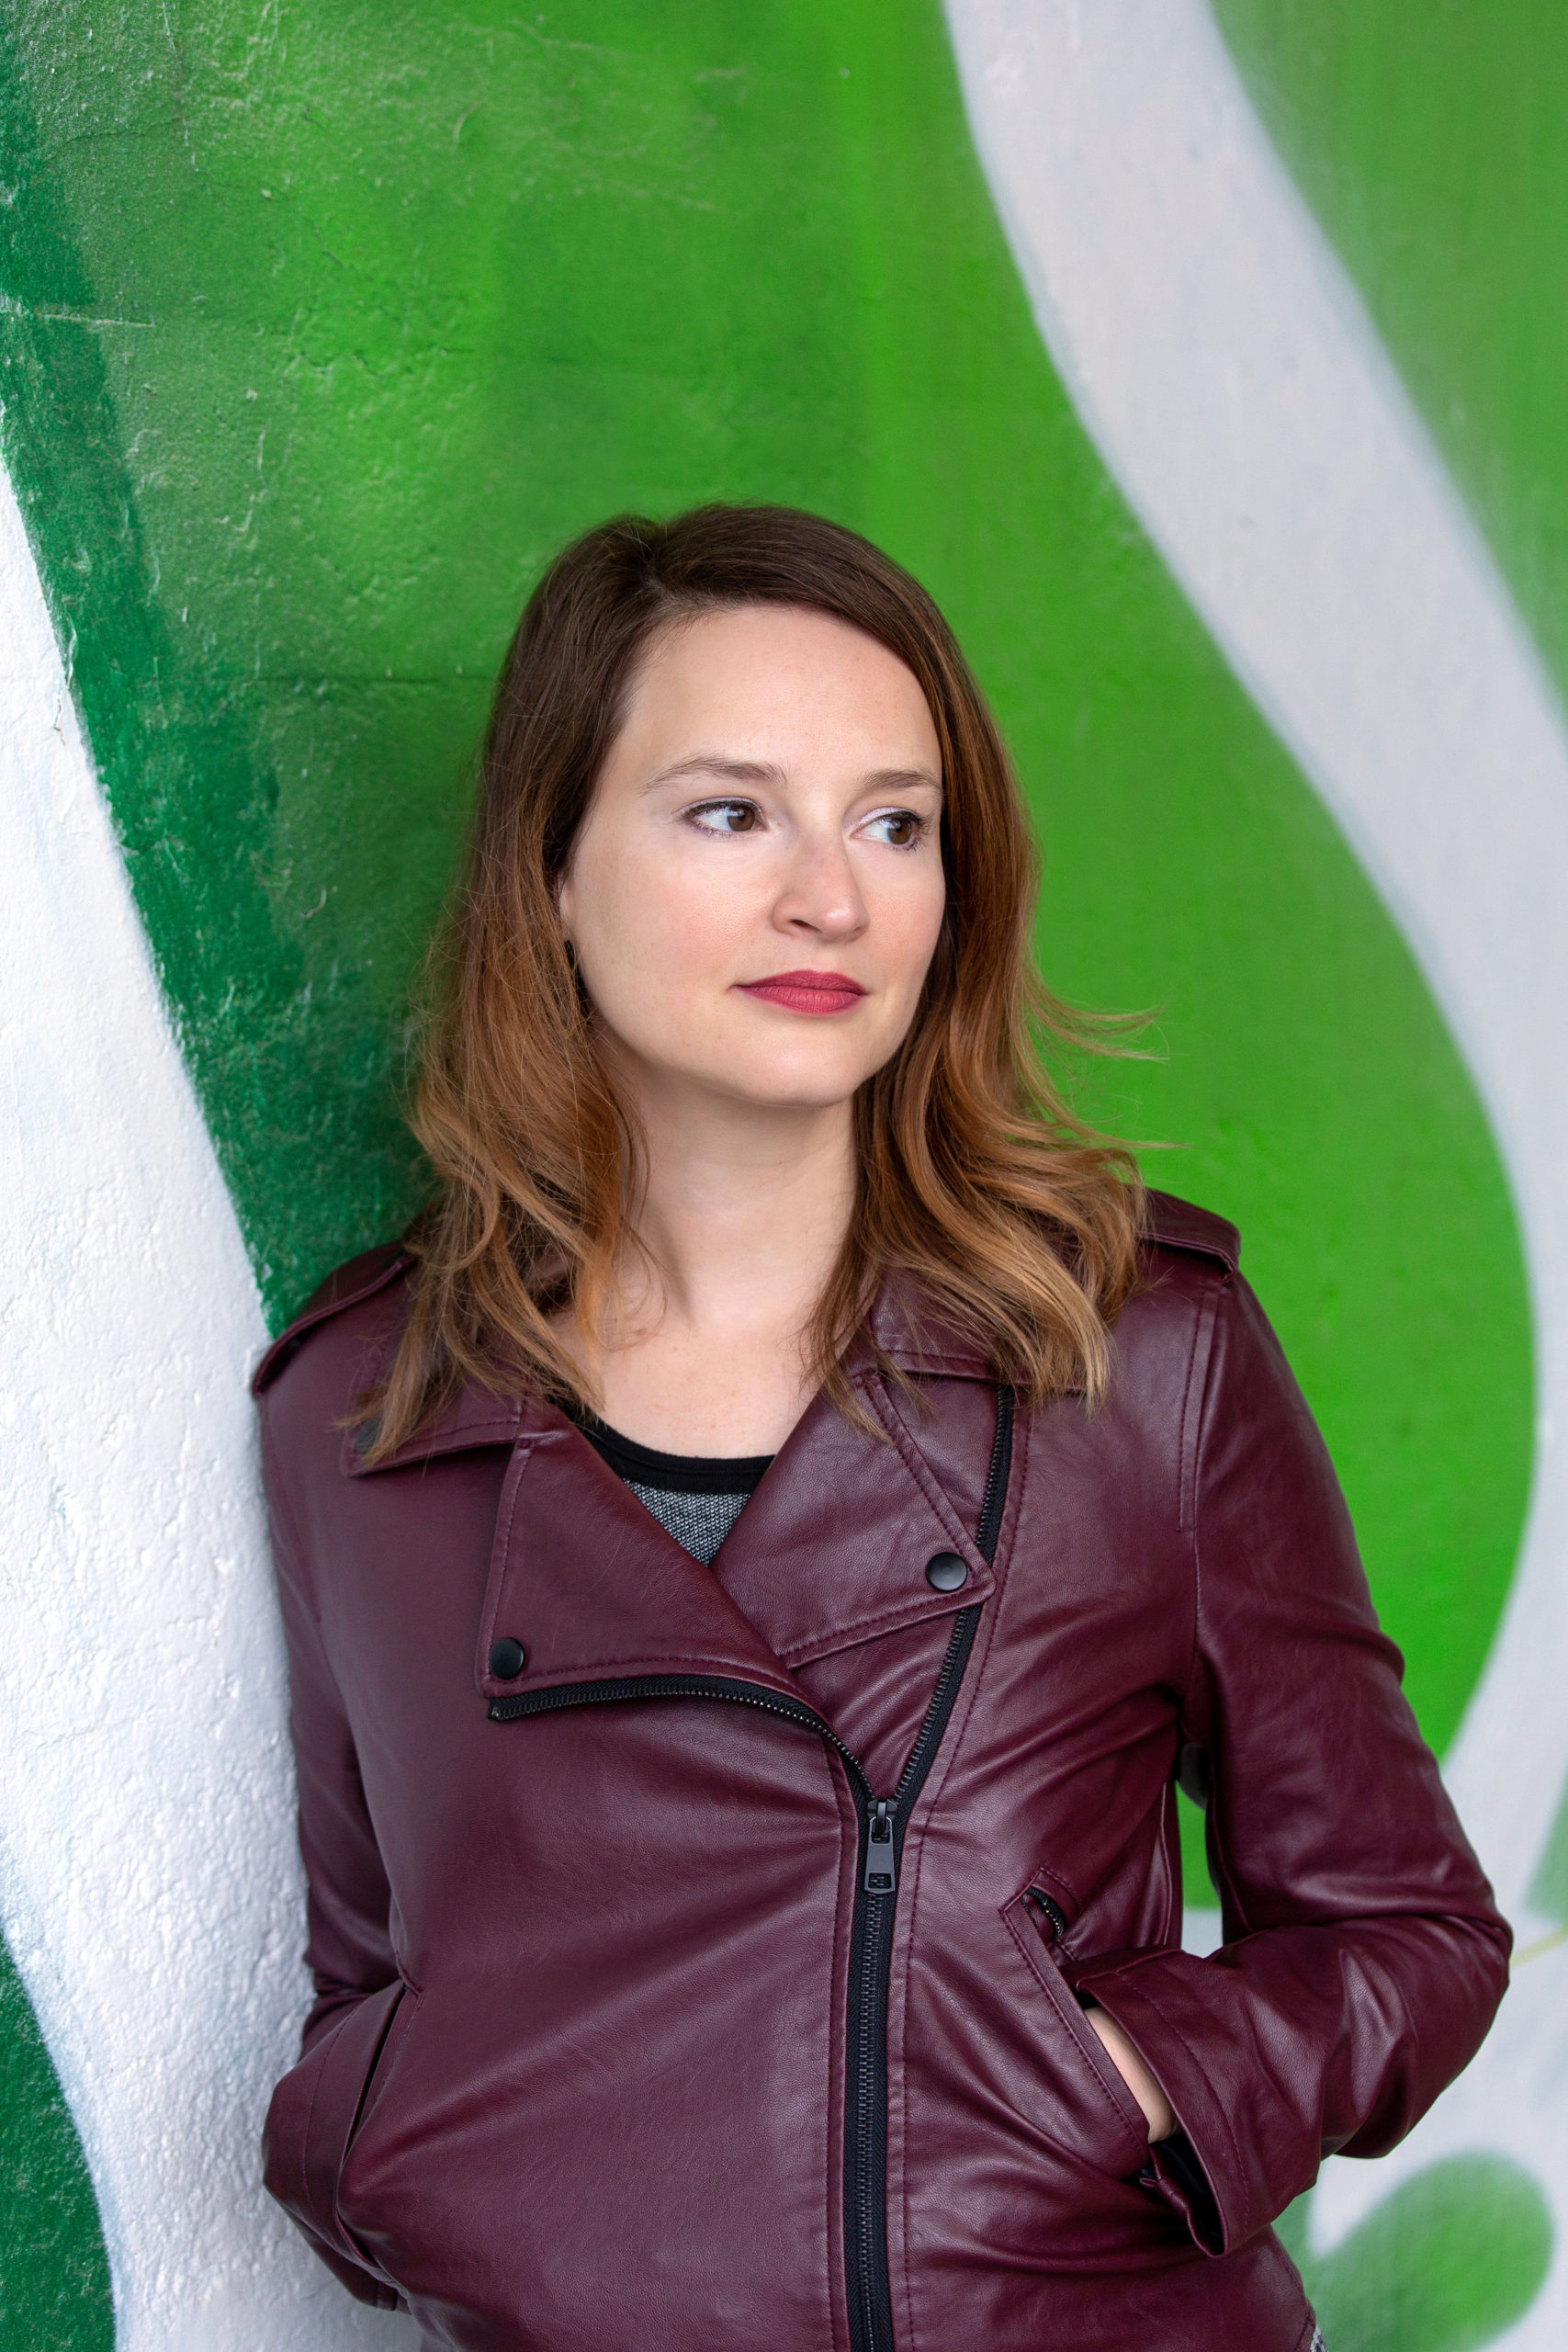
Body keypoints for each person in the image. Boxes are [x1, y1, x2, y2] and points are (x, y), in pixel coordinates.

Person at [254, 504, 1507, 2352]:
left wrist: (1114, 2080)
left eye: (892, 821)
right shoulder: (368, 1414)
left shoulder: (1135, 1354)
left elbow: (1407, 1930)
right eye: (727, 810)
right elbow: (372, 1968)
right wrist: (404, 2155)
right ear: (550, 871)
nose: (827, 895)